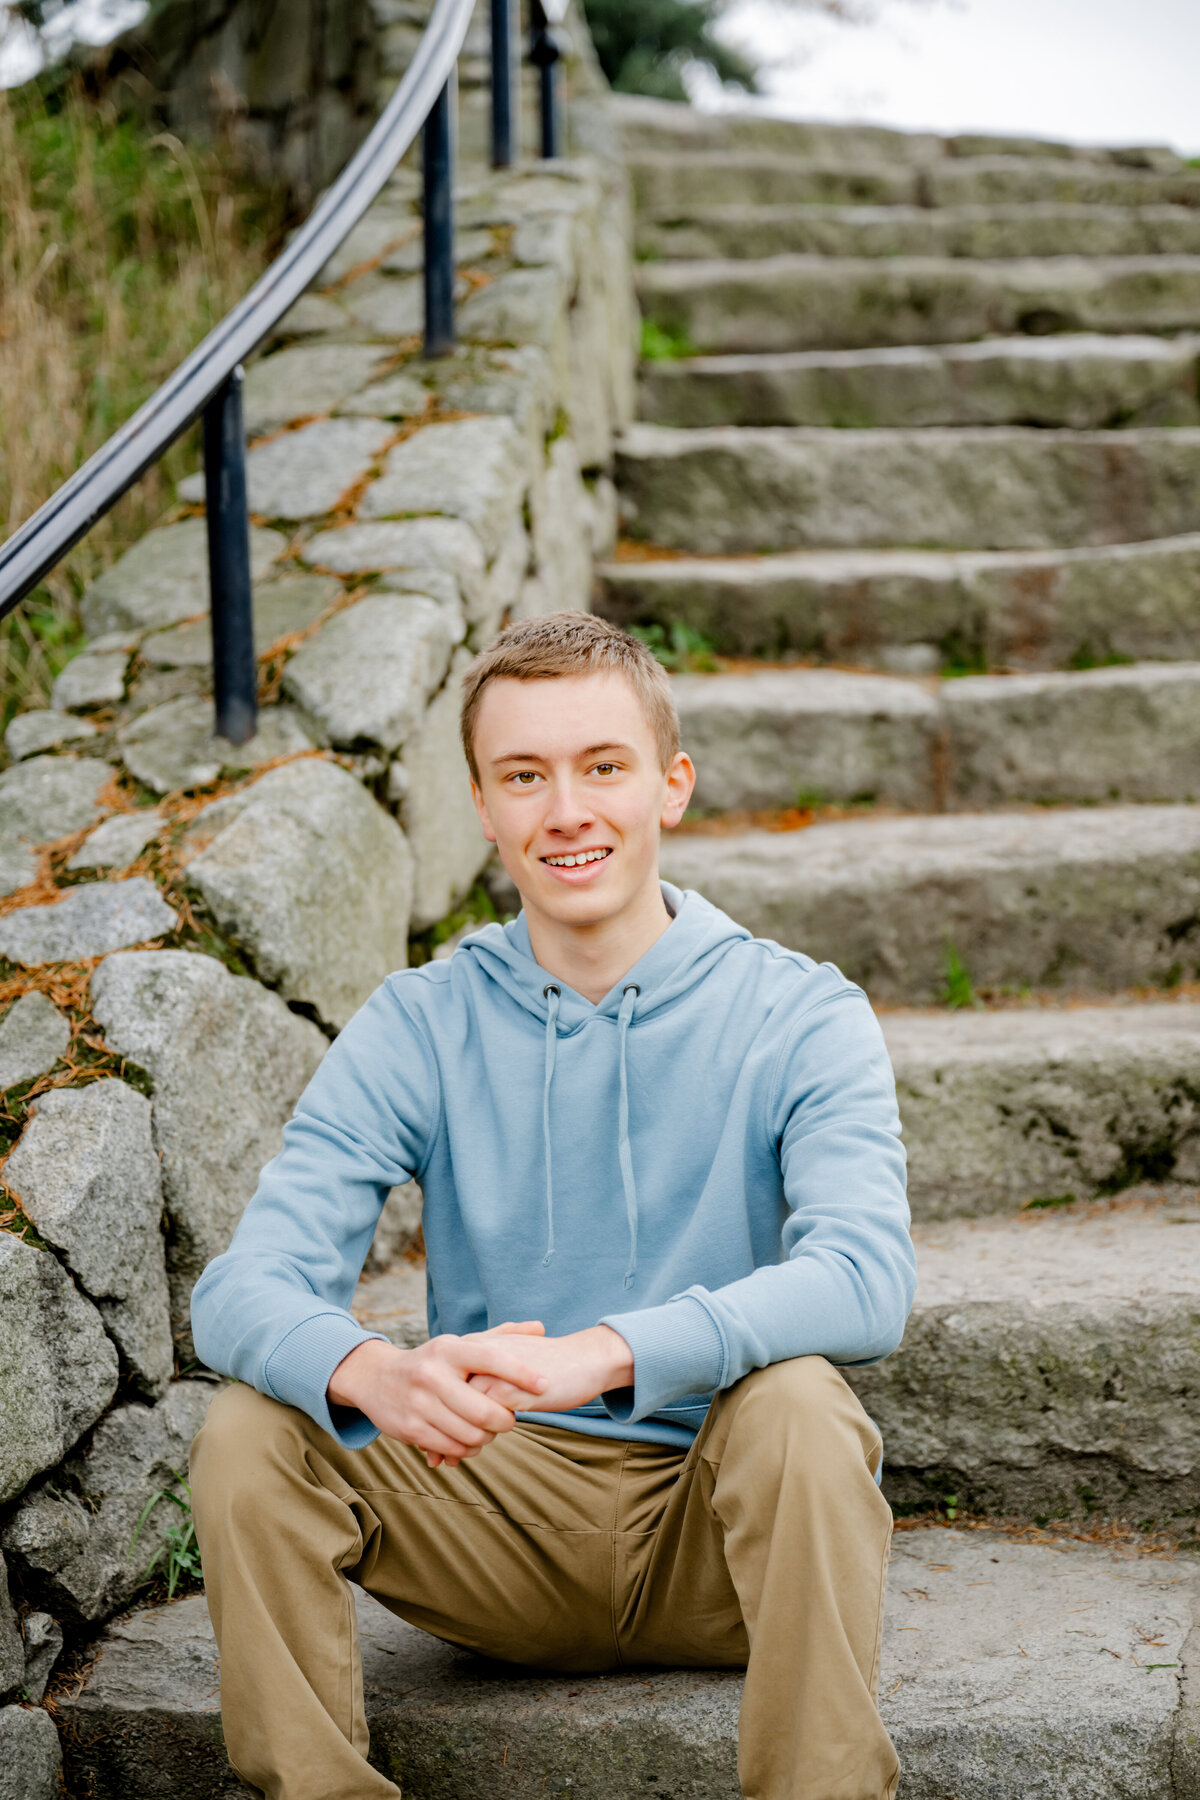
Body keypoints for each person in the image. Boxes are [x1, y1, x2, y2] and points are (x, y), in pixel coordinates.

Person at [189, 611, 916, 1800]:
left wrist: (610, 1352)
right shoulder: (422, 1021)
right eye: (524, 776)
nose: (565, 811)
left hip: (719, 1536)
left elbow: (865, 1280)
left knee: (801, 1406)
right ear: (483, 805)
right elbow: (241, 1289)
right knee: (247, 1432)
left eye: (603, 767)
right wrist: (371, 1374)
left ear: (671, 787)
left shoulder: (800, 1012)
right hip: (489, 1519)